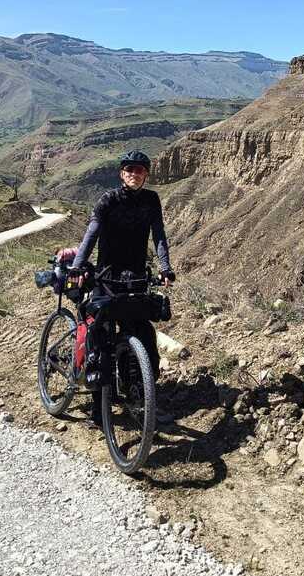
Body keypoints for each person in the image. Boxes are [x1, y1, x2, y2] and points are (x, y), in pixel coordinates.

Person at [58, 149, 175, 427]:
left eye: (139, 170)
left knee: (144, 334)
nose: (134, 174)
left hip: (135, 277)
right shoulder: (108, 200)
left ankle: (140, 395)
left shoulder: (151, 200)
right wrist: (78, 266)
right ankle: (99, 408)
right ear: (122, 174)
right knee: (100, 340)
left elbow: (159, 234)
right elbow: (92, 233)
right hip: (106, 277)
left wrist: (165, 267)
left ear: (146, 175)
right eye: (129, 170)